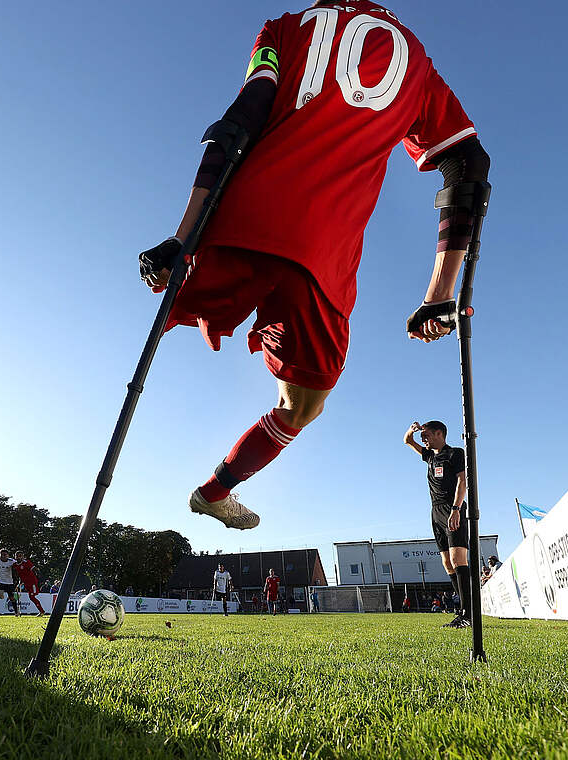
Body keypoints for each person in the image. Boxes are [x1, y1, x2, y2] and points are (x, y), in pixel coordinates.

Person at [137, 1, 489, 532]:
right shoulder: (415, 61)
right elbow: (467, 163)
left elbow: (241, 119)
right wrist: (441, 291)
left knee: (155, 328)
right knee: (301, 406)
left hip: (237, 221)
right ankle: (214, 491)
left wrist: (182, 237)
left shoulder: (281, 28)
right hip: (321, 250)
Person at [404, 420, 472, 629]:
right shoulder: (430, 456)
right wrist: (412, 430)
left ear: (439, 434)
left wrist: (456, 509)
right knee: (446, 562)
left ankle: (468, 613)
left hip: (453, 508)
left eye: (426, 435)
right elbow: (407, 441)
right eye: (422, 435)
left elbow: (463, 481)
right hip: (436, 512)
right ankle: (462, 610)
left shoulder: (455, 454)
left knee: (457, 558)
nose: (422, 439)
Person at [13, 550, 46, 616]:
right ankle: (41, 611)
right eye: (17, 556)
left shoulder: (26, 562)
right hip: (25, 583)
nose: (18, 557)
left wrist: (40, 578)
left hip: (32, 582)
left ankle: (42, 611)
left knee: (32, 597)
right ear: (15, 557)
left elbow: (35, 569)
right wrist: (19, 582)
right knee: (31, 597)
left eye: (20, 556)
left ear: (23, 557)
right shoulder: (15, 565)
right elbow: (18, 574)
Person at [0, 549, 20, 616]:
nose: (3, 556)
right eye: (1, 554)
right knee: (0, 595)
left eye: (5, 555)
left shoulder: (11, 561)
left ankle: (16, 611)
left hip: (10, 582)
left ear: (8, 555)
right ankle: (5, 596)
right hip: (1, 581)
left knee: (11, 598)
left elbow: (18, 564)